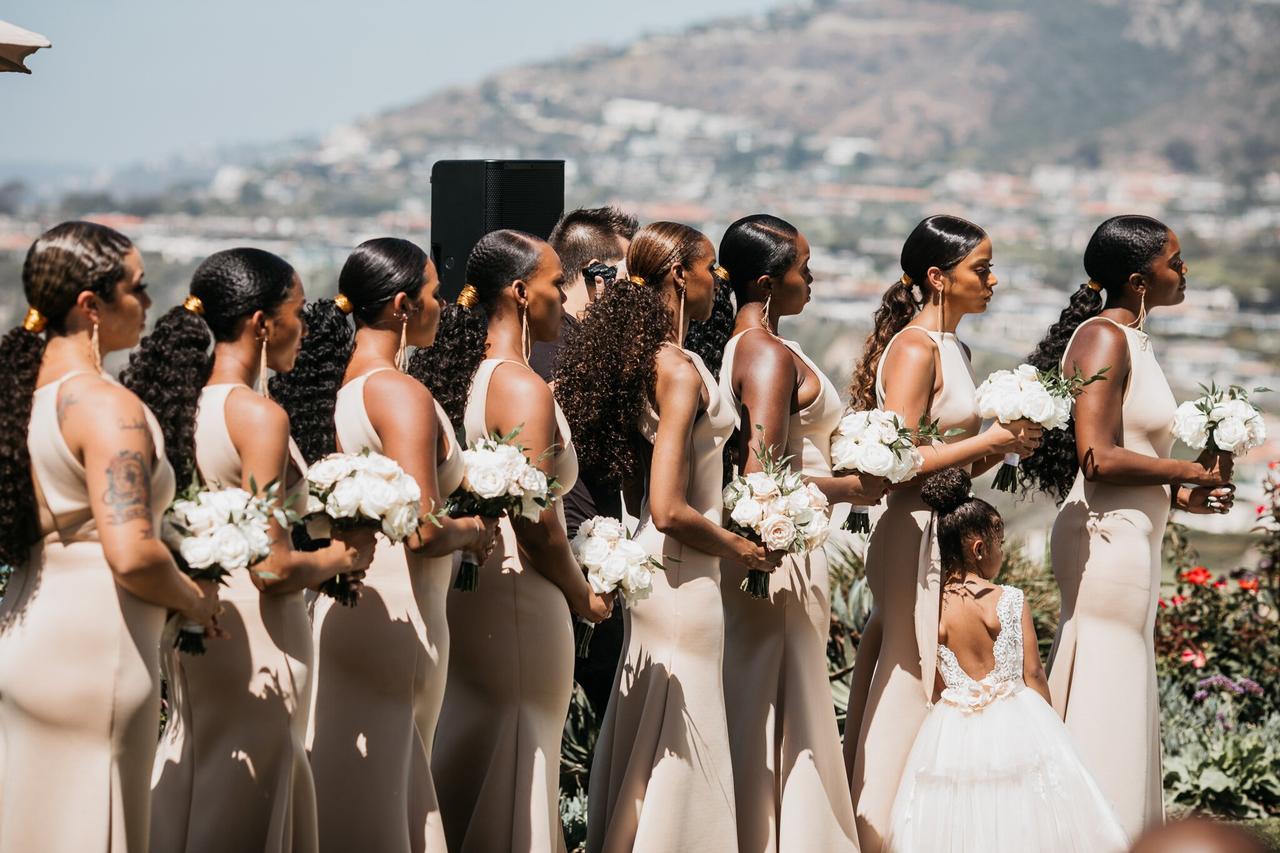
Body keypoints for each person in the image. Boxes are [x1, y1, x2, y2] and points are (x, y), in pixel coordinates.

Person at [123, 247, 376, 853]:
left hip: (200, 621)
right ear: (263, 324)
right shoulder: (259, 416)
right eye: (296, 313)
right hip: (260, 635)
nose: (306, 328)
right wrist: (341, 559)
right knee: (249, 802)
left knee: (198, 777)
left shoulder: (179, 404)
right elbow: (273, 565)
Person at [557, 221, 781, 852]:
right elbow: (667, 507)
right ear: (681, 276)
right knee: (687, 728)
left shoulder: (648, 357)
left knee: (656, 733)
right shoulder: (677, 368)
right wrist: (742, 548)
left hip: (666, 568)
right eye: (711, 269)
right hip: (682, 568)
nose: (719, 281)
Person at [0, 221, 219, 853]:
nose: (150, 303)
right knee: (97, 825)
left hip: (28, 630)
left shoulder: (27, 396)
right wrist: (193, 597)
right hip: (94, 649)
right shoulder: (104, 406)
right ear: (91, 306)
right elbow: (131, 552)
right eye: (138, 288)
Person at [272, 238, 496, 853]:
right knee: (392, 797)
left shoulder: (337, 386)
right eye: (432, 294)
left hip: (349, 610)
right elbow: (422, 531)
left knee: (354, 791)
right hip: (399, 616)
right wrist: (475, 530)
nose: (443, 306)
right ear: (402, 304)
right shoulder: (399, 393)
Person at [1018, 215, 1235, 838]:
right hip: (1104, 539)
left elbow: (1128, 448)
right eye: (1176, 261)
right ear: (1139, 281)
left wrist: (1180, 493)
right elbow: (1097, 456)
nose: (1184, 270)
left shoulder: (1133, 340)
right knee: (1106, 684)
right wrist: (1188, 468)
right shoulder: (1103, 338)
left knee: (1121, 680)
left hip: (1131, 533)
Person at [841, 214, 1041, 853]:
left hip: (939, 523)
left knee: (932, 679)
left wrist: (1003, 447)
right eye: (980, 269)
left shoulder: (955, 349)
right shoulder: (914, 348)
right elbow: (895, 460)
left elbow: (950, 457)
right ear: (937, 277)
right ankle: (873, 831)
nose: (992, 280)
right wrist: (987, 438)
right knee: (910, 673)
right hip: (910, 533)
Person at [410, 229, 612, 853]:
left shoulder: (472, 373)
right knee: (526, 747)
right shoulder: (524, 386)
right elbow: (538, 518)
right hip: (524, 591)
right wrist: (585, 597)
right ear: (523, 293)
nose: (564, 296)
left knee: (482, 740)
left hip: (478, 590)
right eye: (555, 284)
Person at [716, 214, 885, 852]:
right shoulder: (763, 352)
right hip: (780, 555)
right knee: (779, 702)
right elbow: (763, 477)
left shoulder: (753, 345)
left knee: (778, 697)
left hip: (787, 547)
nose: (811, 280)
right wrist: (854, 486)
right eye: (803, 269)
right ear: (767, 281)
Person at [884, 468, 1128, 853]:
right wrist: (1051, 728)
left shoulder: (930, 610)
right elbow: (1033, 672)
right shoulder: (1009, 599)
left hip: (953, 728)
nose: (1003, 552)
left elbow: (934, 680)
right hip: (1018, 718)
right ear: (980, 548)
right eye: (1001, 543)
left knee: (960, 812)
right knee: (1029, 811)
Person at [536, 206, 638, 718]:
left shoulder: (582, 349)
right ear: (596, 276)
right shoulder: (559, 355)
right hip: (578, 562)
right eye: (625, 278)